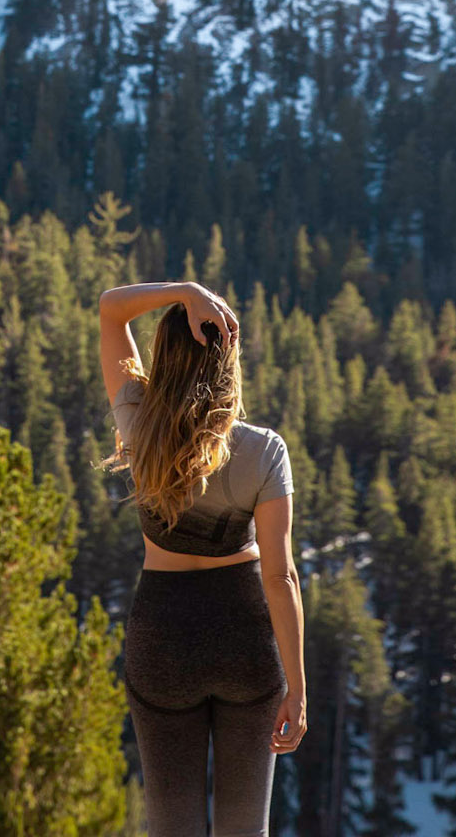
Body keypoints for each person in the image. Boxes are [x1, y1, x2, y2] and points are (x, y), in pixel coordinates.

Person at [99, 277, 307, 837]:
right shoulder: (264, 450)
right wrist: (298, 687)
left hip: (162, 640)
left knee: (172, 827)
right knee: (246, 829)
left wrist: (182, 292)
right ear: (229, 362)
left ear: (164, 356)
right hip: (246, 644)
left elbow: (111, 311)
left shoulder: (139, 425)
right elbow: (280, 575)